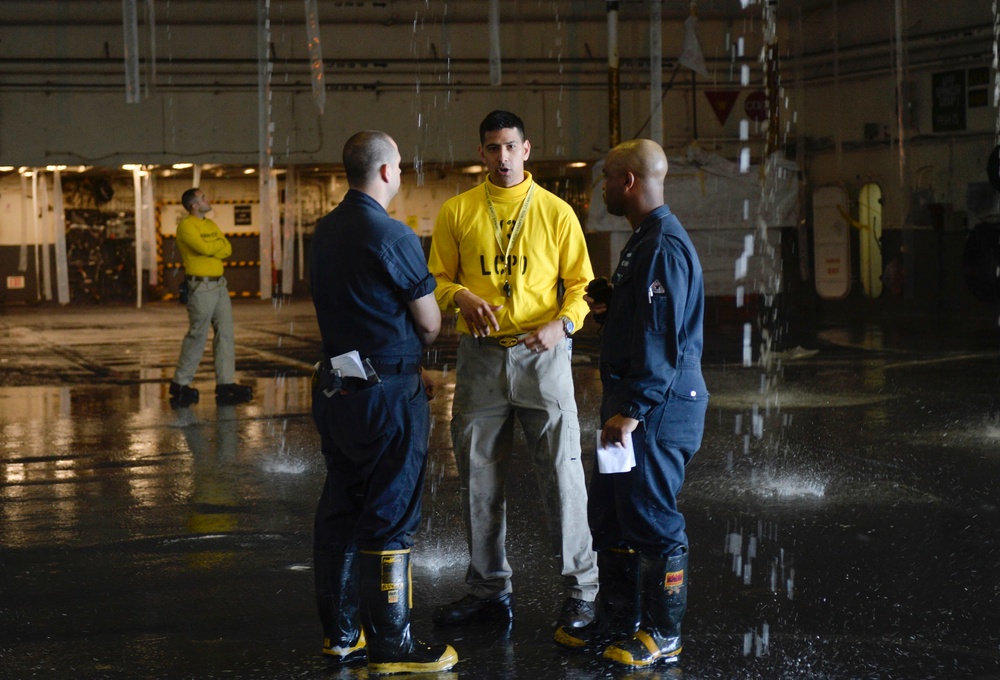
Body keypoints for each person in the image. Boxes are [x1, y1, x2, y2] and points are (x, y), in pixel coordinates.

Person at [427, 110, 599, 634]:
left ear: (526, 151)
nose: (502, 157)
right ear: (481, 153)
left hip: (542, 355)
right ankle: (488, 592)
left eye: (510, 147)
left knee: (562, 474)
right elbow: (435, 279)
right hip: (480, 358)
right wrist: (459, 296)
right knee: (479, 478)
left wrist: (562, 327)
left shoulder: (555, 212)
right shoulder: (457, 212)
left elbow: (581, 287)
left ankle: (582, 592)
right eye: (492, 148)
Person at [554, 138, 709, 667]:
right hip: (634, 403)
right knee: (613, 517)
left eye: (605, 179)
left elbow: (663, 341)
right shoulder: (643, 241)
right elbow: (644, 321)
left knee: (651, 517)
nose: (601, 189)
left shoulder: (662, 244)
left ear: (627, 182)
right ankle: (619, 622)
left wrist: (633, 411)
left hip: (658, 408)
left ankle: (664, 634)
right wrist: (612, 306)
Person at [309, 130, 458, 675]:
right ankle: (393, 648)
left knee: (341, 512)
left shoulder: (323, 232)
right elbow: (428, 321)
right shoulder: (391, 234)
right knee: (391, 516)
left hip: (337, 389)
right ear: (389, 172)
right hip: (388, 395)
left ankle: (341, 636)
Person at [169, 188, 253, 407]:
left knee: (225, 334)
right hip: (201, 287)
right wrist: (214, 248)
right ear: (194, 205)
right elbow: (204, 248)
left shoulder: (210, 224)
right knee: (197, 335)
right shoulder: (186, 226)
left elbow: (227, 248)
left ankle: (225, 384)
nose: (209, 199)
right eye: (204, 197)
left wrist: (212, 248)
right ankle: (180, 385)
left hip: (219, 285)